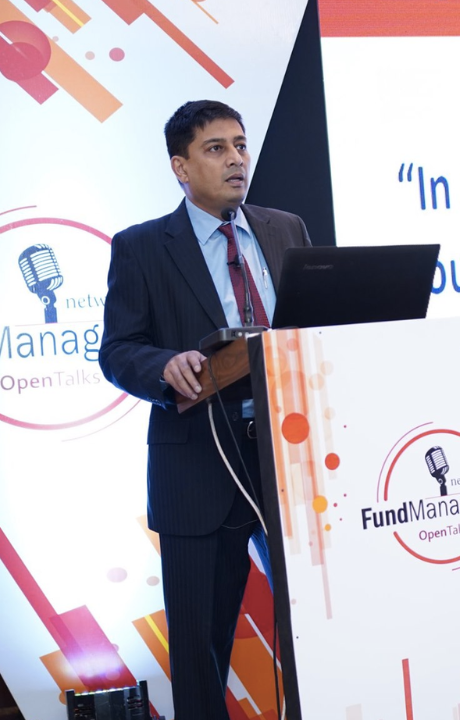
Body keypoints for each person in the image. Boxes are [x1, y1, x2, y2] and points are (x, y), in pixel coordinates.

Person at [100, 100, 311, 716]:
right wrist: (163, 366)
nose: (236, 159)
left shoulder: (286, 229)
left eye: (240, 145)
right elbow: (118, 350)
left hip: (291, 456)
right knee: (200, 650)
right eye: (216, 148)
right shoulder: (142, 247)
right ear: (181, 167)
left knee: (318, 624)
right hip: (198, 461)